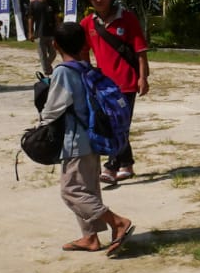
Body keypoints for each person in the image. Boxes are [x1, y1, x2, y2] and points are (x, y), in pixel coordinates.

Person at [42, 21, 134, 256]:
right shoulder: (85, 68)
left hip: (75, 140)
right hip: (93, 138)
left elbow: (53, 109)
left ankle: (118, 222)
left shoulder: (64, 71)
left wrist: (40, 122)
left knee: (71, 190)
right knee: (88, 189)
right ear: (84, 44)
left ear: (55, 45)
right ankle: (90, 237)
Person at [79, 0, 150, 188]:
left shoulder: (127, 19)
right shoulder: (87, 24)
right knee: (109, 124)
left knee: (119, 125)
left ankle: (110, 167)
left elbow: (140, 51)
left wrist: (143, 77)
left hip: (127, 83)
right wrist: (87, 76)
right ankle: (126, 164)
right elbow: (84, 52)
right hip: (103, 86)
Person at [28, 0, 59, 75]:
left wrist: (59, 30)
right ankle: (47, 72)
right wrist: (30, 32)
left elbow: (57, 17)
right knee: (43, 54)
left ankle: (46, 66)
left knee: (53, 53)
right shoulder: (33, 4)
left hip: (52, 33)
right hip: (40, 33)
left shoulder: (52, 3)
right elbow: (30, 18)